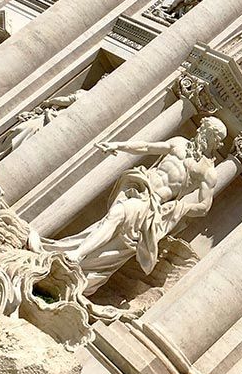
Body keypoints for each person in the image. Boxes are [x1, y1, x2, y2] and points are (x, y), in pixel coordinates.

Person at [42, 117, 227, 293]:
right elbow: (147, 147)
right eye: (204, 129)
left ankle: (78, 256)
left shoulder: (207, 171)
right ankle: (79, 260)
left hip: (152, 203)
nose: (203, 134)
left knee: (117, 217)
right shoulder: (179, 143)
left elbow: (204, 206)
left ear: (215, 141)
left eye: (210, 135)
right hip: (138, 187)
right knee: (112, 222)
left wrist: (180, 208)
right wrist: (118, 145)